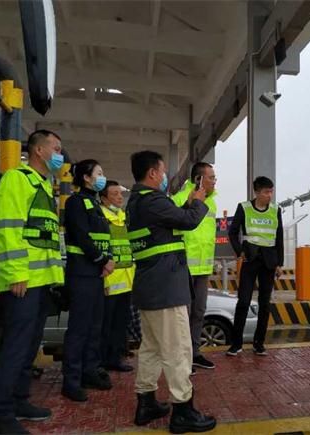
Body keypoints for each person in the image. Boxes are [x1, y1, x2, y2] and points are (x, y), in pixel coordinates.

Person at [127, 151, 216, 433]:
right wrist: (198, 202)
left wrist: (188, 204)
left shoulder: (136, 203)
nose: (165, 176)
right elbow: (188, 221)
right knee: (178, 350)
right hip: (166, 288)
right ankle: (183, 410)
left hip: (149, 286)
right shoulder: (153, 200)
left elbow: (172, 221)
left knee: (151, 349)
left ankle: (146, 402)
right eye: (163, 171)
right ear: (153, 173)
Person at [0, 130, 65, 435]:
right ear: (38, 150)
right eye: (55, 148)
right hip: (22, 280)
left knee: (30, 345)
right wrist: (17, 273)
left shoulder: (44, 185)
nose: (60, 154)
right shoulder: (17, 179)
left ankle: (20, 399)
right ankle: (2, 413)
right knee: (15, 346)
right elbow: (7, 228)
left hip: (41, 281)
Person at [62, 159, 115, 402]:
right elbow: (82, 236)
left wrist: (107, 260)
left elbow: (104, 237)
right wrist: (102, 260)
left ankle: (89, 371)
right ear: (86, 177)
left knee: (95, 327)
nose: (102, 177)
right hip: (82, 273)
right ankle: (71, 381)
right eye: (99, 173)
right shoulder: (75, 202)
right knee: (79, 329)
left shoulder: (94, 203)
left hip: (96, 274)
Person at [227, 176, 283, 357]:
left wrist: (280, 263)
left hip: (269, 262)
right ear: (257, 192)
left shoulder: (276, 210)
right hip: (250, 260)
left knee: (265, 304)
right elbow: (232, 232)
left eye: (271, 191)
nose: (270, 195)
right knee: (243, 301)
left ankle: (259, 343)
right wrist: (239, 251)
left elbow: (279, 237)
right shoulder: (244, 208)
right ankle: (236, 344)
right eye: (266, 192)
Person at [171, 162, 217, 370]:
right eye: (211, 177)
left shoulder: (212, 203)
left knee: (199, 312)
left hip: (203, 268)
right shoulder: (179, 199)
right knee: (183, 315)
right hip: (184, 267)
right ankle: (181, 357)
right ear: (198, 179)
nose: (214, 181)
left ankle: (195, 353)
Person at [99, 180, 134, 372]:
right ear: (104, 199)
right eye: (114, 194)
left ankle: (115, 358)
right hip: (109, 280)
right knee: (106, 324)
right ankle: (102, 361)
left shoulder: (123, 217)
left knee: (120, 323)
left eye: (120, 193)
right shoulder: (101, 218)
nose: (120, 197)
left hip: (126, 280)